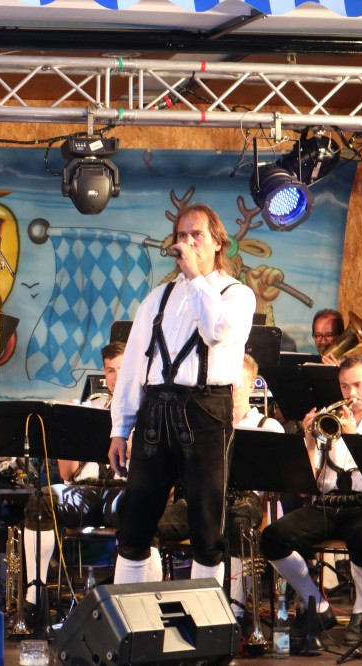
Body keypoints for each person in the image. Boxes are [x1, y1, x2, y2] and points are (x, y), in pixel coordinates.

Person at [107, 203, 256, 585]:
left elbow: (216, 331)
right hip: (156, 409)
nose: (187, 243)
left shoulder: (237, 295)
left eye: (197, 235)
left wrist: (195, 277)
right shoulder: (157, 297)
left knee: (206, 527)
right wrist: (120, 429)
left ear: (218, 242)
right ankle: (129, 615)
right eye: (182, 236)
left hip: (206, 409)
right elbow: (134, 367)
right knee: (135, 523)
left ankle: (205, 616)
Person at [260, 355, 362, 647]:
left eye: (358, 385)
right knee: (272, 538)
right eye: (344, 386)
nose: (351, 393)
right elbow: (308, 484)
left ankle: (360, 612)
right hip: (328, 504)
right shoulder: (331, 421)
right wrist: (309, 439)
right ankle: (317, 604)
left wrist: (355, 439)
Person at [155, 354, 283, 624]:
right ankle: (153, 604)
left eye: (238, 383)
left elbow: (276, 479)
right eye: (227, 384)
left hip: (243, 501)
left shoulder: (267, 426)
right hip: (200, 498)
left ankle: (236, 612)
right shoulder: (201, 427)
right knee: (152, 526)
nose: (232, 390)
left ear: (252, 385)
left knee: (238, 527)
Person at [20, 342, 136, 614]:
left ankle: (127, 601)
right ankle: (35, 598)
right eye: (110, 370)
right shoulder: (92, 407)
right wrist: (66, 431)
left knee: (139, 510)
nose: (116, 376)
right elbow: (67, 474)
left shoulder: (143, 409)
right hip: (86, 491)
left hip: (123, 492)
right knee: (43, 500)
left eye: (122, 369)